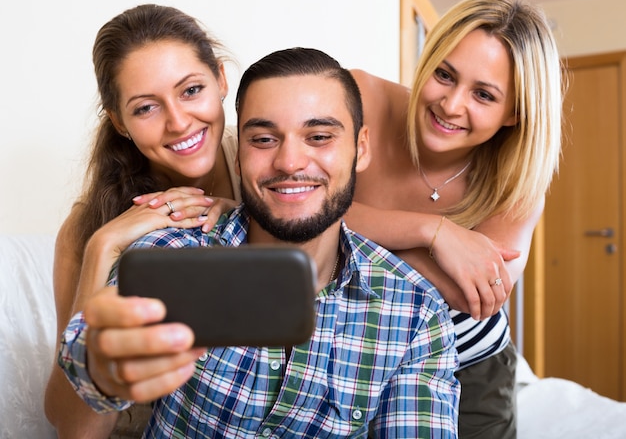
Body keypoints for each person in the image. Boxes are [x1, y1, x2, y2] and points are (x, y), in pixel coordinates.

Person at [57, 47, 460, 438]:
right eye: (264, 140)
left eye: (319, 136)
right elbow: (92, 350)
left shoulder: (416, 313)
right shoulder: (174, 254)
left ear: (361, 148)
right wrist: (101, 364)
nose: (289, 162)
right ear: (237, 158)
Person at [346, 0, 563, 438]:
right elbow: (297, 209)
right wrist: (434, 233)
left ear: (513, 115)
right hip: (353, 354)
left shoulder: (516, 186)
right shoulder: (359, 97)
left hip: (471, 368)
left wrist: (352, 226)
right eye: (444, 74)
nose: (450, 104)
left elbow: (477, 298)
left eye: (483, 95)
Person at [45, 4, 241, 438]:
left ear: (222, 80)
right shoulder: (88, 228)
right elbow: (73, 428)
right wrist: (103, 247)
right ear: (119, 122)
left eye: (191, 90)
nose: (178, 122)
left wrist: (240, 213)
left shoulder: (267, 170)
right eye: (146, 108)